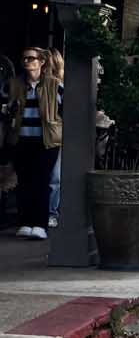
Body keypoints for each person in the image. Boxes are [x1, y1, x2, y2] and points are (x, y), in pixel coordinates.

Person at [5, 47, 62, 240]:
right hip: (21, 139)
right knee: (24, 182)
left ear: (42, 62)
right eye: (24, 58)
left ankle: (40, 224)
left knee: (41, 182)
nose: (27, 61)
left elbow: (66, 109)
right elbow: (4, 106)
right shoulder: (14, 84)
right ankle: (25, 222)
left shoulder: (54, 85)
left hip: (46, 141)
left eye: (31, 58)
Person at [47, 48, 64, 227]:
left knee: (54, 177)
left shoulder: (59, 87)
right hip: (34, 135)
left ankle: (51, 213)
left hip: (53, 136)